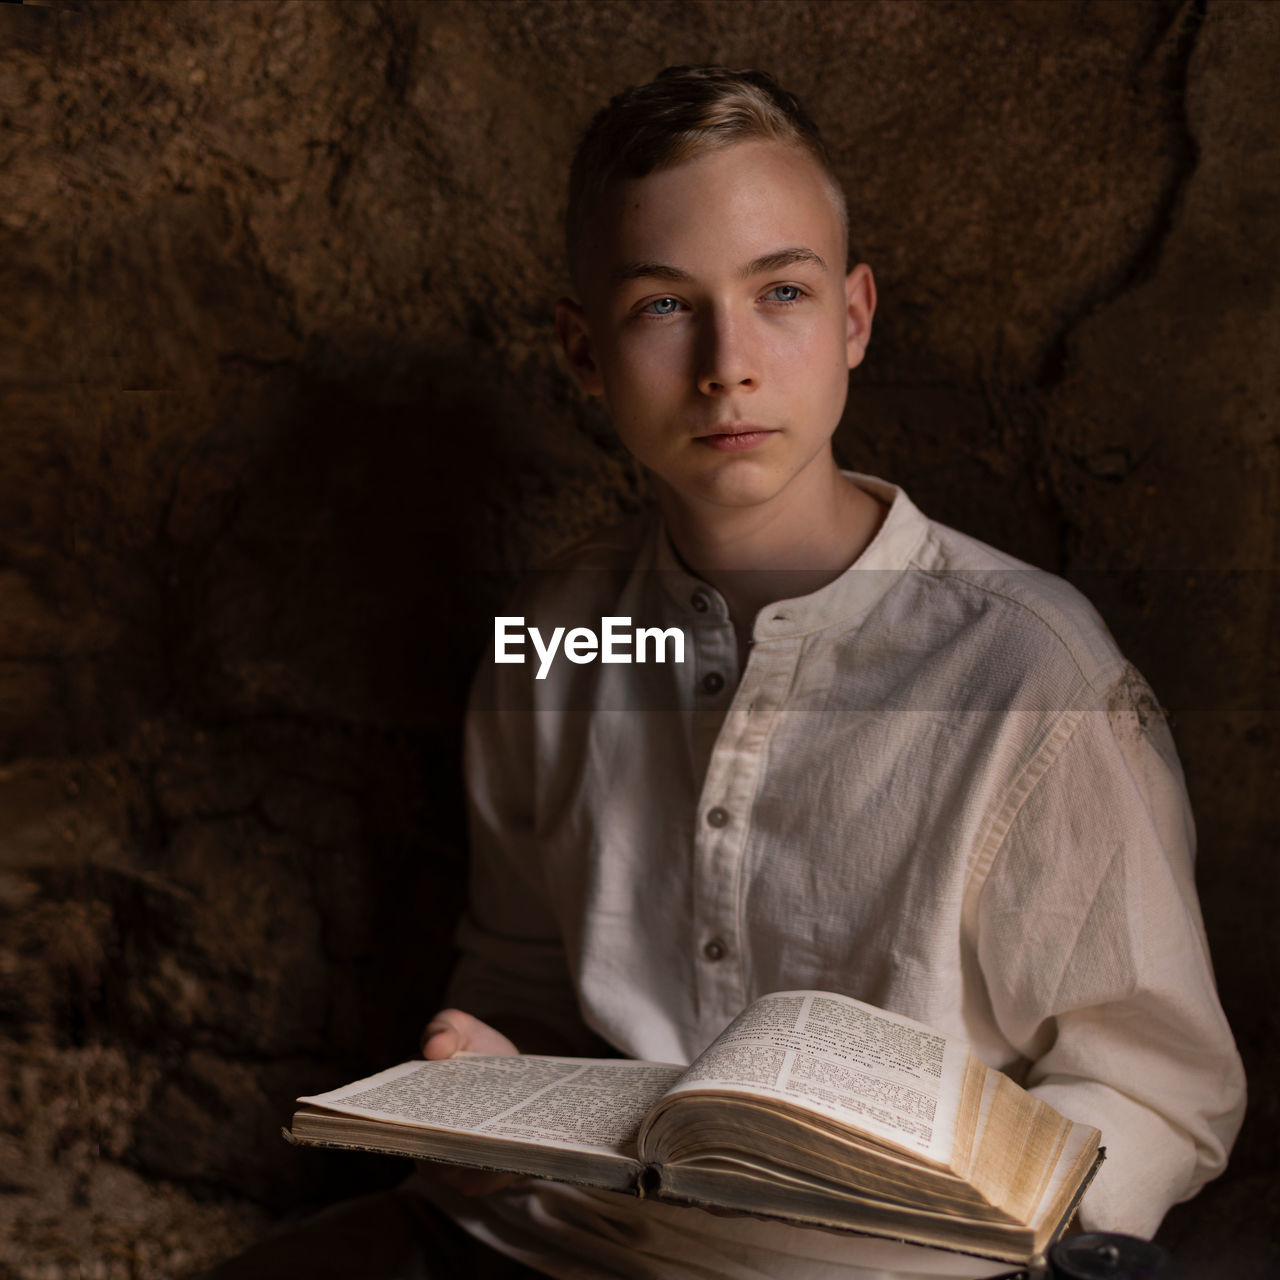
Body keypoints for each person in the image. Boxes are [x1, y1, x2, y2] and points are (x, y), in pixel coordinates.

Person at [205, 65, 1244, 1280]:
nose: (725, 364)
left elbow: (1160, 1095)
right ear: (580, 348)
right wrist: (480, 1085)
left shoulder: (1024, 667)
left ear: (854, 317)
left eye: (781, 291)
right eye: (661, 306)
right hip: (554, 1241)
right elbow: (523, 977)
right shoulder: (554, 634)